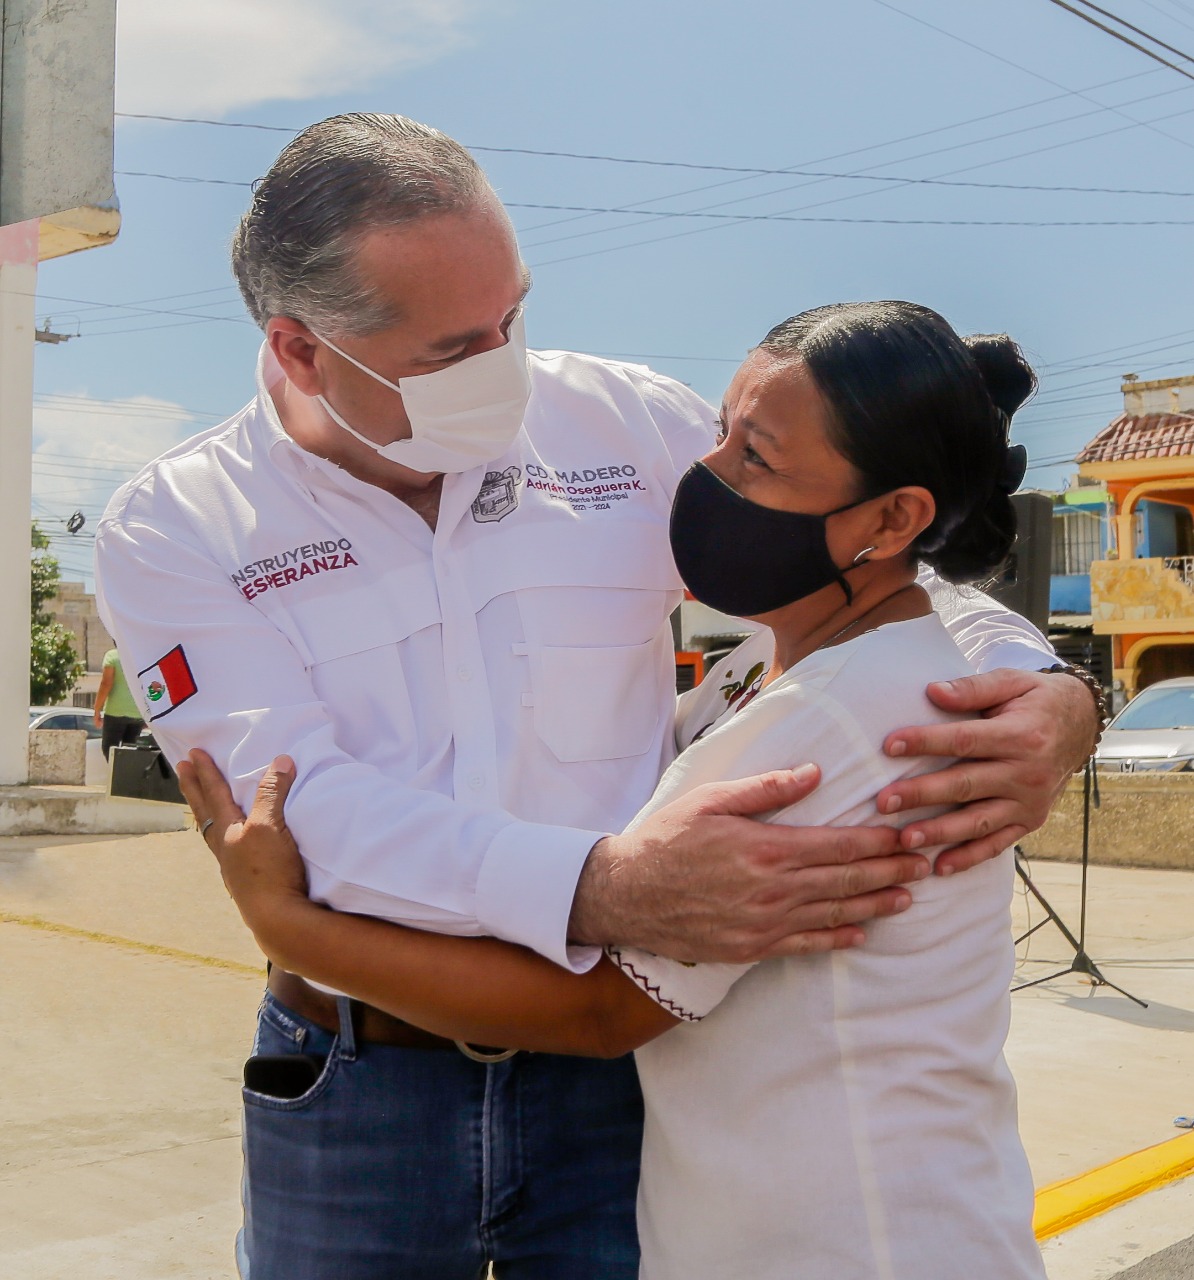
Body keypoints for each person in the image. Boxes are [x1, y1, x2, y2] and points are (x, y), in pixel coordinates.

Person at [95, 113, 1098, 1279]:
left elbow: (876, 560)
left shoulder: (617, 423)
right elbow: (298, 810)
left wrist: (1049, 691)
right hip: (360, 1083)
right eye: (453, 349)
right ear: (304, 348)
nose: (506, 367)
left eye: (514, 316)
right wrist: (599, 888)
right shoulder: (177, 529)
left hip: (624, 1080)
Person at [93, 648, 144, 760]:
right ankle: (126, 776)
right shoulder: (142, 656)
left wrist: (97, 709)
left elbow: (106, 683)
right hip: (137, 713)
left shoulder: (113, 656)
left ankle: (116, 775)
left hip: (115, 712)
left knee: (109, 749)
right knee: (131, 752)